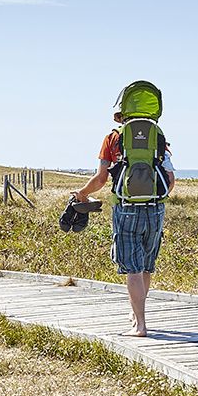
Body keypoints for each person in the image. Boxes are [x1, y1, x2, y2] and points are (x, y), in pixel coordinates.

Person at [72, 86, 174, 338]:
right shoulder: (159, 137)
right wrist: (155, 198)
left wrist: (83, 193)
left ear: (120, 115)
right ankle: (137, 313)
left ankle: (139, 325)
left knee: (133, 269)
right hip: (155, 208)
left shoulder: (113, 139)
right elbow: (170, 179)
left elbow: (101, 178)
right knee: (146, 266)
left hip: (125, 208)